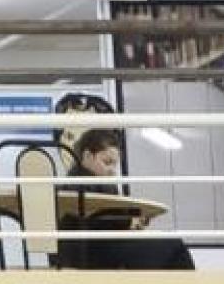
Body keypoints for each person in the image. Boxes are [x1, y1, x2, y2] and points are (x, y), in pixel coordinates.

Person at [52, 94, 194, 271]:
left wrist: (131, 221)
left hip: (95, 248)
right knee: (173, 247)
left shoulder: (84, 180)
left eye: (114, 164)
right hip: (93, 252)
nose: (112, 170)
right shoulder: (82, 182)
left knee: (167, 248)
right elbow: (95, 219)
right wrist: (128, 222)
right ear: (87, 156)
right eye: (107, 162)